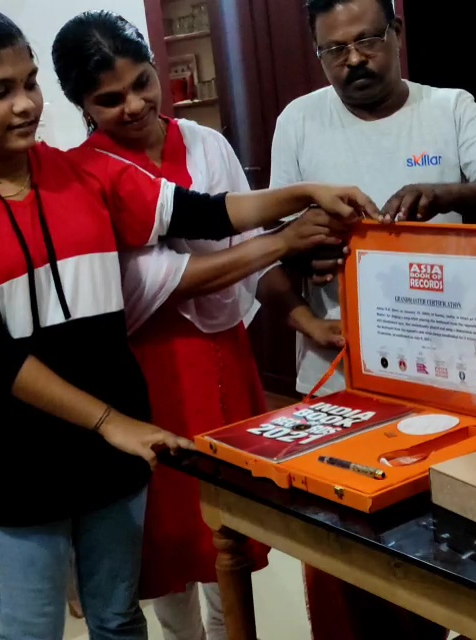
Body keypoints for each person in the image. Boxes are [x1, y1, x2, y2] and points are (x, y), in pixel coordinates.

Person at [0, 7, 375, 639]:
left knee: (118, 618)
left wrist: (306, 192)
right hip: (16, 463)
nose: (25, 105)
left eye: (30, 83)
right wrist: (113, 423)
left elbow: (203, 212)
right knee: (33, 628)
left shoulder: (84, 174)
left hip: (110, 457)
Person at [51, 12, 345, 640]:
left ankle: (231, 630)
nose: (134, 105)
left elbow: (248, 241)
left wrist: (301, 320)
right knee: (169, 530)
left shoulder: (206, 144)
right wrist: (283, 238)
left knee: (231, 522)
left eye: (143, 83)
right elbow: (167, 279)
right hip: (148, 367)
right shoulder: (85, 175)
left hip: (223, 357)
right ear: (80, 103)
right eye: (109, 98)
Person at [269, 0, 476, 637]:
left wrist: (446, 194)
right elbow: (278, 243)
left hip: (448, 369)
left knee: (442, 545)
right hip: (340, 369)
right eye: (334, 50)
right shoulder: (299, 120)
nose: (354, 60)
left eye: (367, 41)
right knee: (345, 549)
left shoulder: (448, 108)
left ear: (396, 33)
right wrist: (307, 271)